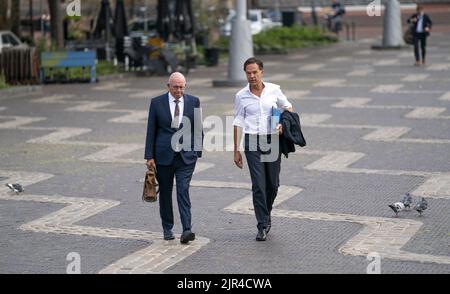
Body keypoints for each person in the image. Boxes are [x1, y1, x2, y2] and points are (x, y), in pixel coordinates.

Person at [233, 57, 293, 241]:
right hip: (252, 142)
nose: (251, 76)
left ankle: (266, 213)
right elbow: (237, 121)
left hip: (272, 140)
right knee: (258, 185)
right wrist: (236, 150)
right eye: (248, 73)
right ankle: (262, 224)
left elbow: (288, 107)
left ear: (261, 72)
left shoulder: (274, 90)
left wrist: (283, 123)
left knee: (273, 184)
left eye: (254, 72)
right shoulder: (241, 96)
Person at [144, 72, 203, 244]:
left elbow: (198, 127)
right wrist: (149, 156)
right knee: (166, 193)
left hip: (186, 156)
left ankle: (187, 229)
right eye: (175, 87)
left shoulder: (194, 101)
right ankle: (167, 227)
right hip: (163, 156)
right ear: (168, 86)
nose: (179, 90)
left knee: (183, 190)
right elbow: (151, 130)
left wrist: (197, 152)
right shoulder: (156, 103)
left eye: (182, 87)